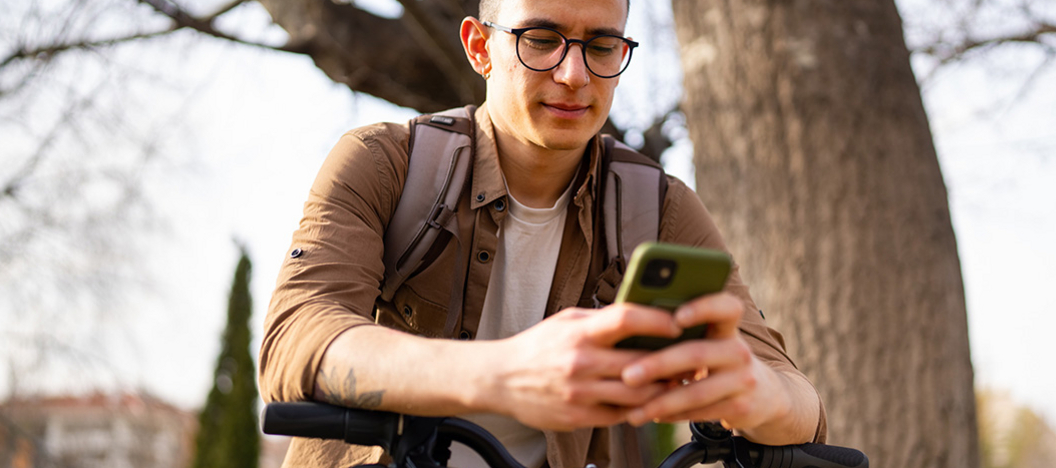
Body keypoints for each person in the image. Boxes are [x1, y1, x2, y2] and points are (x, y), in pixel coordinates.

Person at [260, 0, 826, 466]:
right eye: (540, 38)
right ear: (481, 47)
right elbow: (294, 342)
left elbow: (801, 404)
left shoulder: (661, 208)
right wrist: (504, 373)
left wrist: (757, 392)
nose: (574, 75)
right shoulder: (382, 163)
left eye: (602, 46)